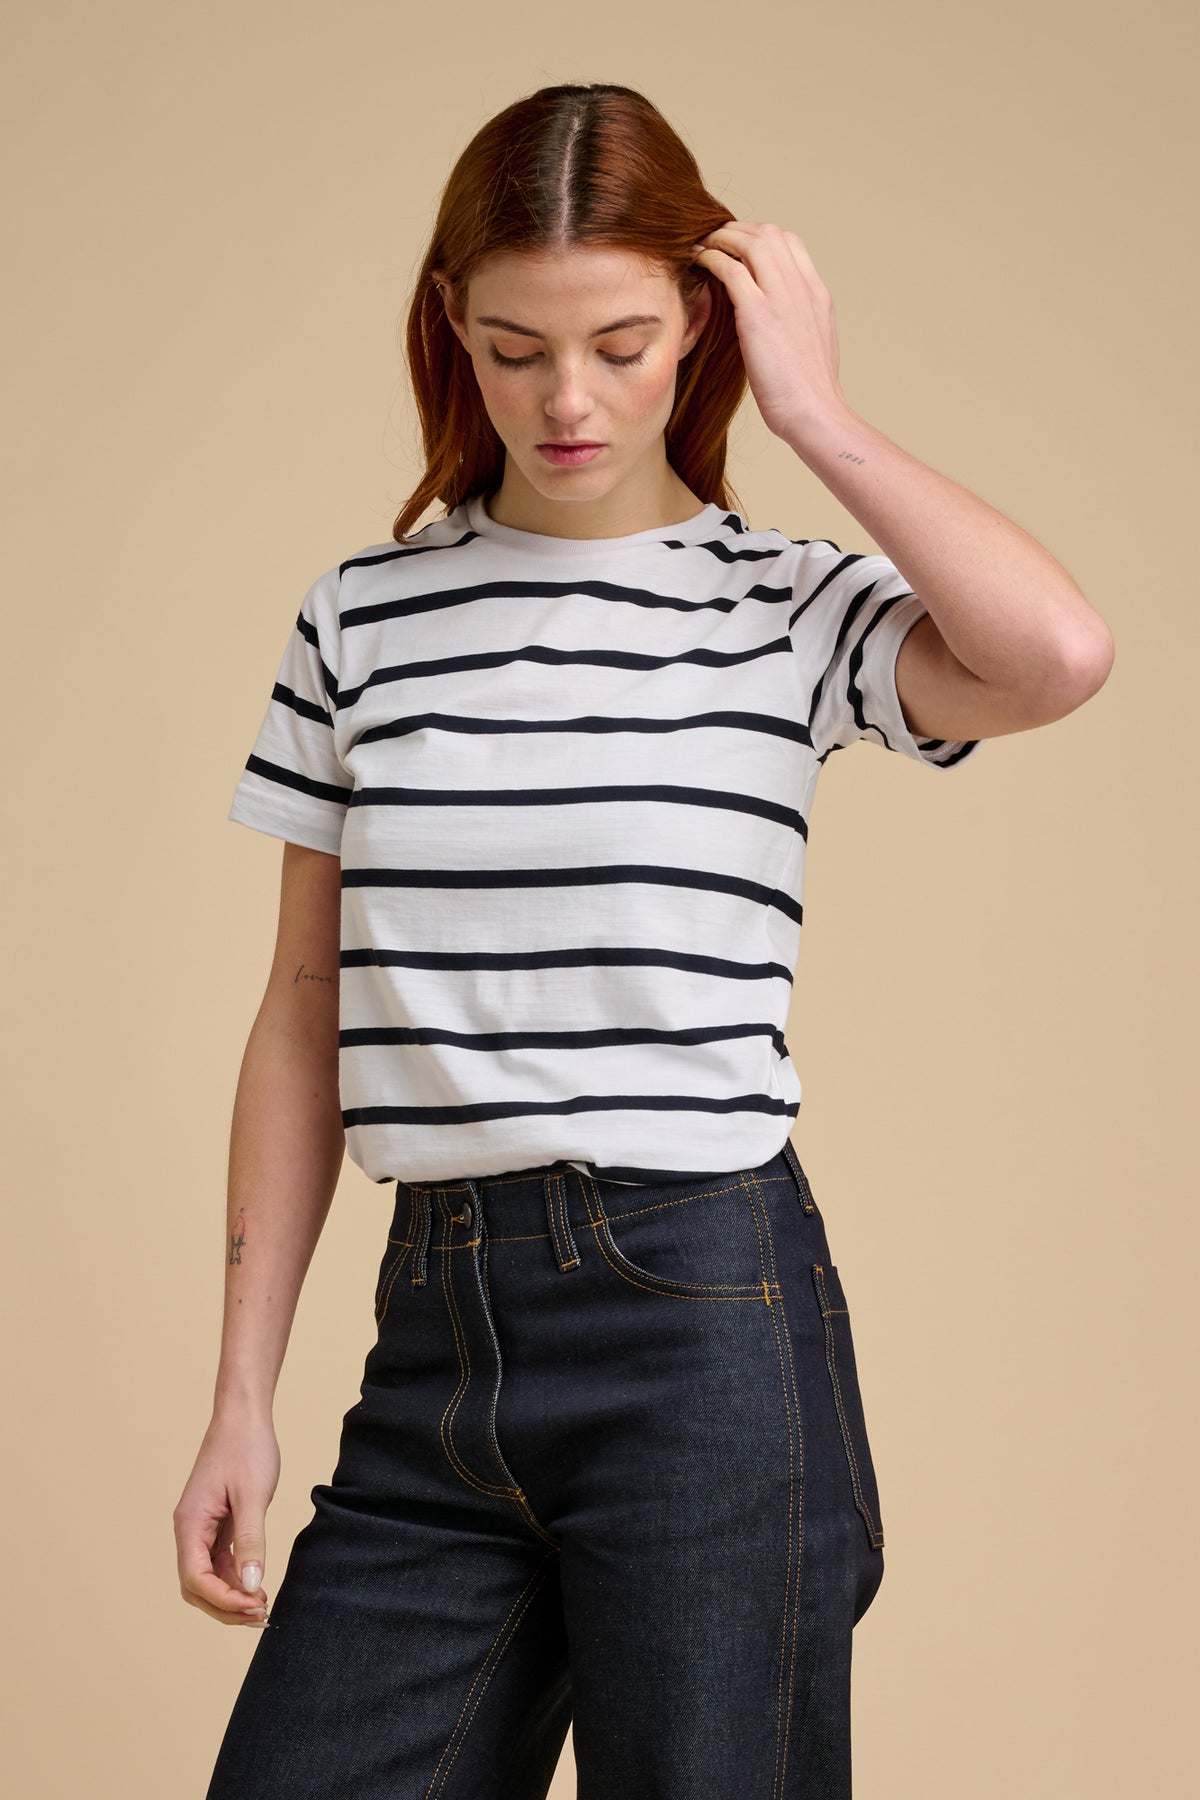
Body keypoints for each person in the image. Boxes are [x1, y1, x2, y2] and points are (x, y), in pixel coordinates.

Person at [174, 80, 1113, 1800]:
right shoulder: (361, 619)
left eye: (620, 340)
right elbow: (301, 1016)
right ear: (453, 330)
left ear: (700, 322)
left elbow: (1054, 654)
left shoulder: (786, 604)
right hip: (434, 1330)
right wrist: (241, 1389)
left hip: (700, 1321)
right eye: (514, 345)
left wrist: (821, 416)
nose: (567, 397)